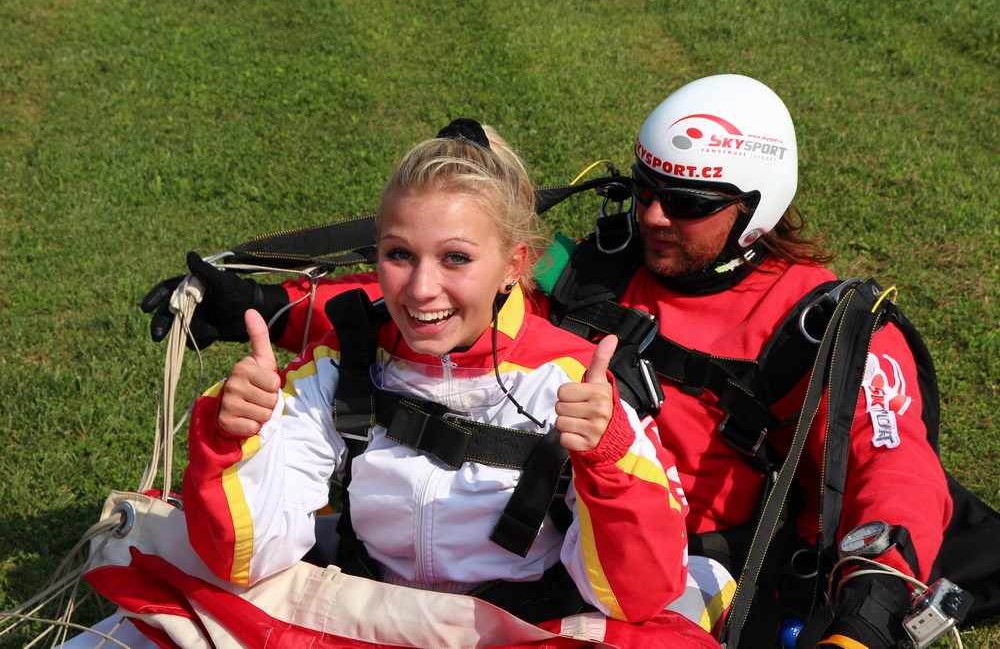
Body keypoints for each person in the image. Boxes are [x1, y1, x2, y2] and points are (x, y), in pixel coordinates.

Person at [143, 77, 953, 649]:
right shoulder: (600, 261)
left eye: (687, 204)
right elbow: (455, 304)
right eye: (645, 188)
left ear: (758, 208)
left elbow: (895, 470)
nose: (654, 216)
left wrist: (868, 615)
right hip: (566, 527)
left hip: (684, 559)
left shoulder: (825, 324)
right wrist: (268, 308)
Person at [177, 119, 730, 648]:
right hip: (365, 621)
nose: (421, 289)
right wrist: (234, 436)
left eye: (455, 258)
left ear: (513, 265)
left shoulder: (574, 387)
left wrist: (607, 457)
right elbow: (242, 559)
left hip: (523, 633)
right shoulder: (339, 367)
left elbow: (636, 597)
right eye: (399, 254)